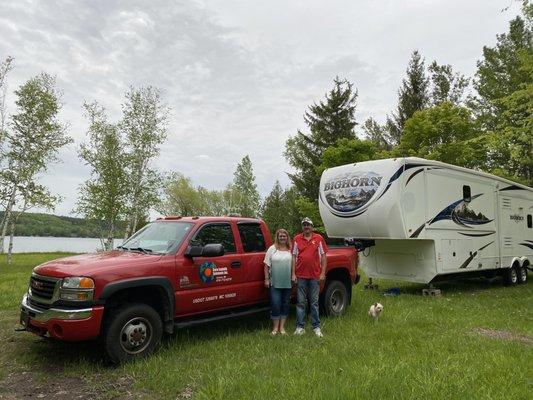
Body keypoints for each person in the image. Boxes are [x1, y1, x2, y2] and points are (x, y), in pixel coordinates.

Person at [292, 217, 328, 337]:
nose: (306, 227)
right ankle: (300, 327)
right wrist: (293, 274)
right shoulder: (297, 238)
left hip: (315, 275)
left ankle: (316, 327)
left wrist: (323, 273)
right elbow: (293, 257)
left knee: (314, 302)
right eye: (304, 225)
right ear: (302, 227)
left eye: (308, 225)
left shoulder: (319, 238)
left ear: (312, 227)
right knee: (301, 302)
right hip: (300, 275)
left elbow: (323, 256)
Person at [263, 228, 294, 336]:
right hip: (274, 282)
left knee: (285, 304)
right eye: (280, 236)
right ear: (277, 237)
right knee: (275, 304)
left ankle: (282, 328)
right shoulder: (272, 249)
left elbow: (295, 265)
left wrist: (294, 276)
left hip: (288, 282)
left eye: (284, 236)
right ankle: (275, 328)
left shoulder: (291, 249)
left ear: (287, 237)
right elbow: (266, 265)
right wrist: (266, 279)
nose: (282, 238)